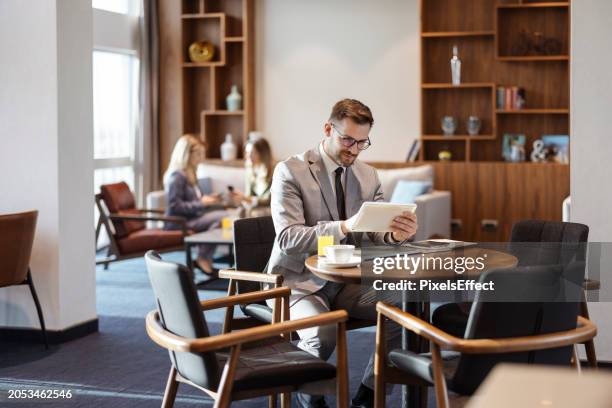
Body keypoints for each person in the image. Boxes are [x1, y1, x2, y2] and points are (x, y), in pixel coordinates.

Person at [267, 99, 418, 408]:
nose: (355, 149)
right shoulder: (291, 171)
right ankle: (312, 398)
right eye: (348, 140)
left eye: (363, 142)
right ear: (328, 129)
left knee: (405, 306)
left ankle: (370, 389)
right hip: (298, 282)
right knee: (323, 331)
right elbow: (289, 238)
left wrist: (394, 234)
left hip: (346, 281)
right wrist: (344, 227)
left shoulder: (368, 175)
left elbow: (373, 234)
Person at [163, 134, 228, 276]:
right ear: (186, 154)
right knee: (222, 218)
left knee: (224, 215)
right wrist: (201, 203)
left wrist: (207, 199)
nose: (201, 158)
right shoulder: (177, 176)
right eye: (198, 154)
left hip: (192, 217)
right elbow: (175, 206)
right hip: (179, 222)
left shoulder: (190, 173)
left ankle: (205, 257)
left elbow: (192, 199)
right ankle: (203, 257)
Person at [230, 138, 274, 216]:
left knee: (255, 214)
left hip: (269, 208)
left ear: (263, 154)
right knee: (240, 211)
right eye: (247, 152)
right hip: (255, 208)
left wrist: (247, 199)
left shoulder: (274, 172)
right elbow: (248, 195)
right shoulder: (250, 172)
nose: (249, 156)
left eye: (253, 152)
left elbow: (270, 199)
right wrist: (242, 199)